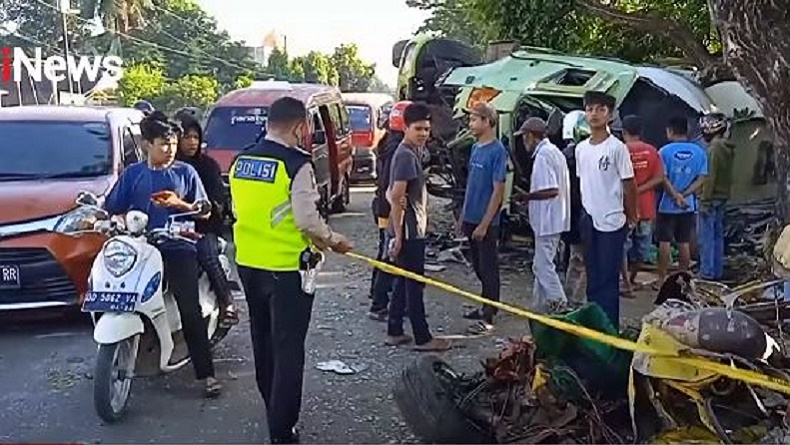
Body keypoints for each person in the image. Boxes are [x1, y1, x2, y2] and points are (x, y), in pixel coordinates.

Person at [230, 97, 353, 444]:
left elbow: (239, 210)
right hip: (286, 270)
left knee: (263, 342)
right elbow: (306, 219)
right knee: (288, 350)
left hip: (249, 264)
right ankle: (283, 431)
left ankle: (274, 408)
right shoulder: (296, 163)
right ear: (300, 127)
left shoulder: (242, 161)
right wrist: (333, 240)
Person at [103, 111, 221, 398]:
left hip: (178, 246)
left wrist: (181, 204)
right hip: (139, 248)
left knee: (189, 309)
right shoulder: (133, 175)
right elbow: (111, 206)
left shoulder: (185, 172)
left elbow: (205, 209)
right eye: (162, 143)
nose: (168, 149)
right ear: (146, 144)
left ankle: (206, 375)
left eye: (172, 143)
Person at [386, 102, 451, 351]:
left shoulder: (410, 153)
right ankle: (423, 338)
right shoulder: (405, 156)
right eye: (418, 129)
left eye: (426, 129)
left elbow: (392, 193)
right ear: (405, 128)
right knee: (415, 285)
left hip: (412, 230)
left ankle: (394, 330)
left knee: (403, 281)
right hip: (409, 233)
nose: (423, 133)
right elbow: (396, 197)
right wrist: (399, 236)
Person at [575, 91, 637, 328]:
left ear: (610, 115)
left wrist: (633, 215)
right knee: (593, 277)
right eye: (590, 109)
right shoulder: (581, 149)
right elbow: (584, 183)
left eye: (600, 109)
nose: (594, 114)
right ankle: (593, 324)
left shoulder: (617, 148)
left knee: (609, 279)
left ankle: (609, 328)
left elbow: (629, 184)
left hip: (612, 220)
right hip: (589, 218)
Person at [175, 115, 238, 327]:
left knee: (208, 255)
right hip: (169, 229)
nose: (192, 142)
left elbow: (217, 200)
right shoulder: (166, 168)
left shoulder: (208, 165)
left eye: (195, 137)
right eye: (186, 137)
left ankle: (227, 302)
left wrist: (204, 208)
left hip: (203, 228)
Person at [457, 102, 507, 335]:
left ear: (488, 122)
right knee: (477, 265)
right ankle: (485, 304)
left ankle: (490, 312)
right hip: (471, 216)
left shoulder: (497, 151)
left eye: (475, 119)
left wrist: (486, 223)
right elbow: (471, 185)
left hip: (486, 221)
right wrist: (464, 216)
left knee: (488, 267)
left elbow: (498, 191)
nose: (471, 123)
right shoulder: (476, 148)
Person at [516, 117, 571, 313]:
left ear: (530, 136)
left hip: (548, 220)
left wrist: (527, 196)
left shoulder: (543, 156)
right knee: (541, 265)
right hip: (553, 218)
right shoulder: (554, 152)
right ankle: (538, 308)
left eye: (524, 137)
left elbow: (551, 190)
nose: (524, 142)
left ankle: (560, 304)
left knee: (543, 266)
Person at [368, 101, 409, 321]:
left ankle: (380, 297)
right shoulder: (396, 149)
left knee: (386, 252)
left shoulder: (388, 143)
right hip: (388, 209)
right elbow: (390, 186)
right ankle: (379, 303)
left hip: (384, 208)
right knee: (390, 255)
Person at [656, 117, 708, 287]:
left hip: (667, 205)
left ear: (670, 131)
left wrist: (675, 195)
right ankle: (682, 278)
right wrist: (684, 195)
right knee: (683, 242)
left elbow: (661, 177)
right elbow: (701, 179)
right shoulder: (699, 152)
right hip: (688, 206)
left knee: (664, 242)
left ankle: (662, 279)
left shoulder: (663, 151)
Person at [619, 115, 663, 298]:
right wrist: (641, 189)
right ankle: (631, 278)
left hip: (623, 207)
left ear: (624, 132)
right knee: (642, 249)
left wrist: (631, 191)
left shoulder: (620, 150)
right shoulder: (652, 151)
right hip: (646, 208)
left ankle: (625, 282)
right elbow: (660, 178)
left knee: (622, 245)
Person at [698, 113, 734, 280]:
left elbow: (709, 176)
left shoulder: (714, 148)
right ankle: (716, 271)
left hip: (711, 198)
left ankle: (707, 272)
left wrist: (704, 200)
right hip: (722, 196)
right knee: (717, 236)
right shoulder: (727, 147)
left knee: (706, 237)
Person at [560, 110, 590, 305]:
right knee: (583, 261)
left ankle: (570, 298)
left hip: (569, 216)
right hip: (584, 216)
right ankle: (575, 300)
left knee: (574, 259)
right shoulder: (586, 155)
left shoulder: (564, 156)